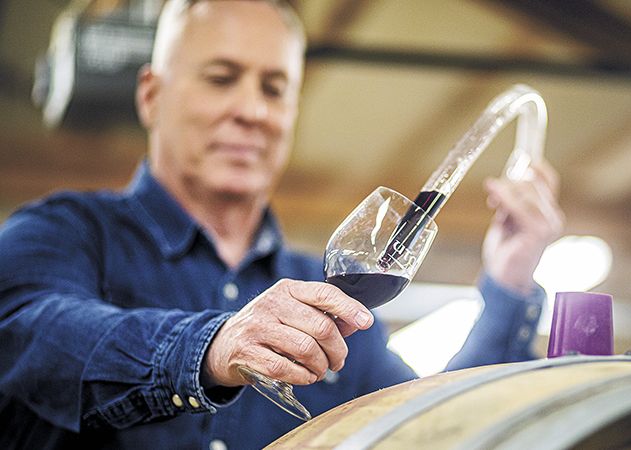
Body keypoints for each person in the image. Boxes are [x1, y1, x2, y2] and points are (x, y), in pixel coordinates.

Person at [0, 0, 564, 448]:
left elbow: (436, 425)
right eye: (222, 78)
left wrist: (509, 283)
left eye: (274, 87)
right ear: (151, 96)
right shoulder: (64, 233)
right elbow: (29, 336)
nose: (252, 110)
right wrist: (212, 348)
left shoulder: (329, 302)